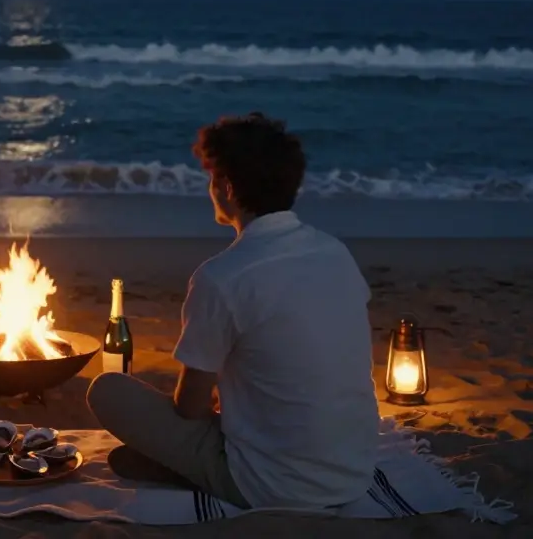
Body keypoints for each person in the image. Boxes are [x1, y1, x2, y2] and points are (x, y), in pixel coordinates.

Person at [87, 113, 379, 509]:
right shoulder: (335, 253)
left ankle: (197, 471)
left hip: (273, 487)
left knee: (108, 389)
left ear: (225, 186)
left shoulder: (223, 277)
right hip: (353, 473)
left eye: (211, 179)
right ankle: (187, 464)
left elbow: (189, 408)